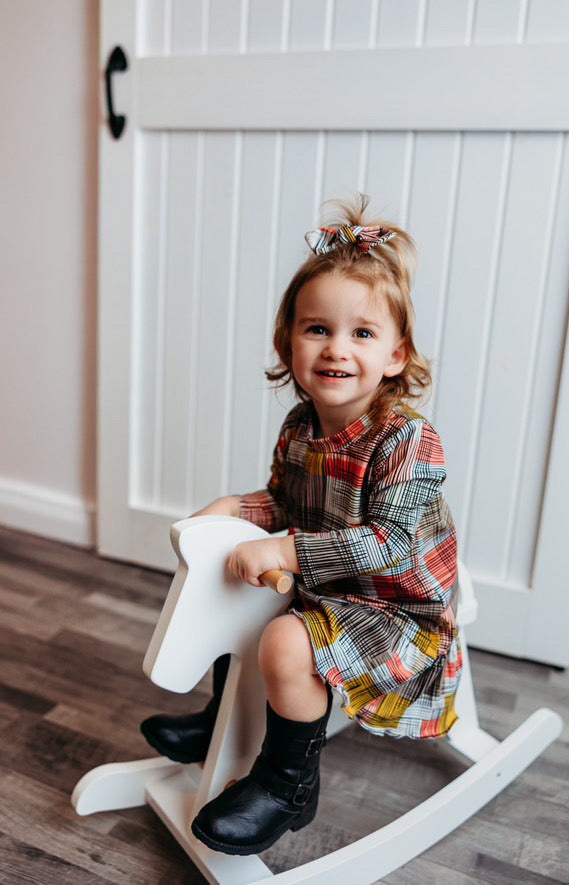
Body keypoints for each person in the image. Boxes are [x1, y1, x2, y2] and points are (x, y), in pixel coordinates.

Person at [141, 195, 461, 856]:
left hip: (396, 607)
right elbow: (286, 502)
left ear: (397, 354)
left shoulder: (407, 439)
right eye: (317, 328)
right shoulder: (301, 427)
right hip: (328, 583)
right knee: (240, 590)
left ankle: (288, 784)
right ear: (289, 339)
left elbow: (390, 544)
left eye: (362, 334)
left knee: (285, 641)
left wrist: (283, 544)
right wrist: (237, 509)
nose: (336, 348)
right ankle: (219, 720)